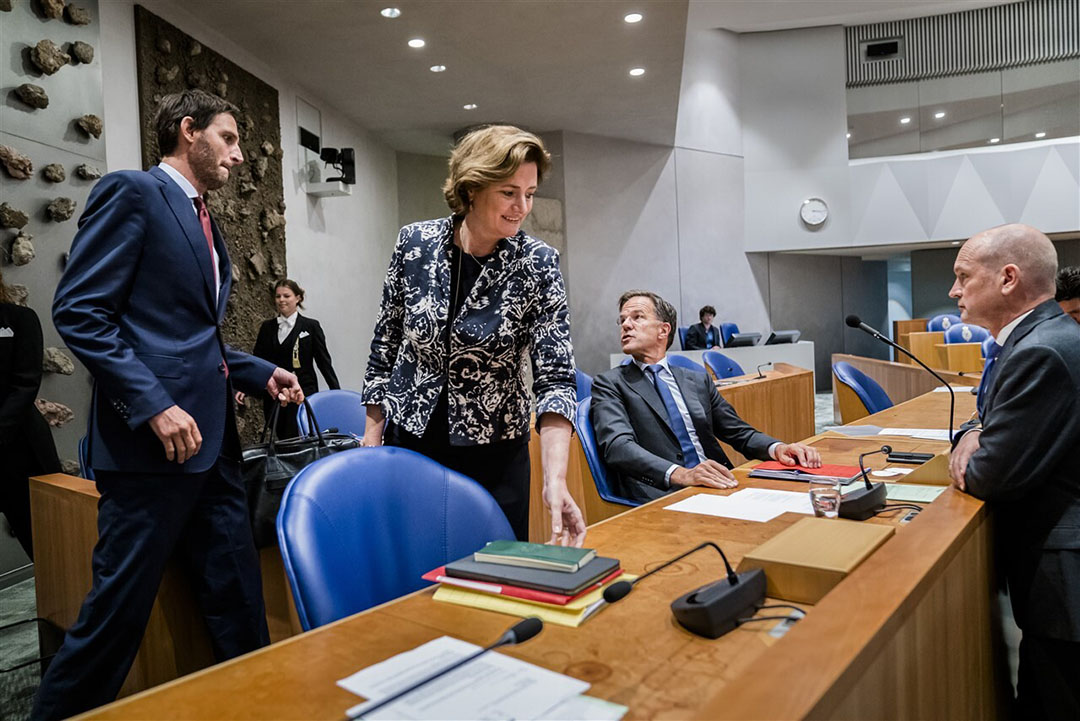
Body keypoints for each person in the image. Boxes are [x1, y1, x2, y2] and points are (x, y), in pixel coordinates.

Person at [34, 90, 304, 721]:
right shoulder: (133, 192)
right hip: (150, 453)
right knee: (114, 621)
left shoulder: (205, 218)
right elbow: (79, 309)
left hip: (212, 452)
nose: (239, 155)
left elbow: (188, 338)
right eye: (230, 138)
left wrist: (262, 373)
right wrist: (153, 403)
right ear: (190, 132)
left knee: (239, 606)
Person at [362, 124, 585, 546]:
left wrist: (556, 479)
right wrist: (372, 441)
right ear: (471, 188)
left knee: (495, 578)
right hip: (412, 444)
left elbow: (556, 379)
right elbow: (385, 346)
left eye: (530, 193)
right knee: (416, 575)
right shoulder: (415, 244)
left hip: (496, 455)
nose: (522, 206)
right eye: (508, 192)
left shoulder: (537, 262)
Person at [947, 224, 1080, 719]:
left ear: (1008, 278)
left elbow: (988, 475)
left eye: (963, 276)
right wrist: (977, 432)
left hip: (1065, 581)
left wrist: (968, 444)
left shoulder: (1040, 349)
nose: (953, 291)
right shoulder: (1038, 337)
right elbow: (988, 422)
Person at [591, 290, 821, 503]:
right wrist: (682, 474)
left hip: (721, 482)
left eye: (637, 317)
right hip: (664, 492)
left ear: (664, 330)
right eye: (622, 320)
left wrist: (777, 448)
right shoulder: (610, 383)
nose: (626, 325)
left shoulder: (696, 380)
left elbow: (738, 432)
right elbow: (618, 447)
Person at [0, 270, 61, 559]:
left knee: (48, 545)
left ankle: (71, 604)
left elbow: (24, 385)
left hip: (20, 450)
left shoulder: (19, 319)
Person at [242, 279, 340, 437]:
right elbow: (258, 360)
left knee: (301, 435)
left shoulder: (311, 326)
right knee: (280, 436)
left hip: (302, 392)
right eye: (278, 296)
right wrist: (246, 386)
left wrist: (336, 393)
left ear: (298, 298)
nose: (281, 300)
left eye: (286, 296)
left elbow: (324, 362)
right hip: (275, 393)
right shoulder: (267, 327)